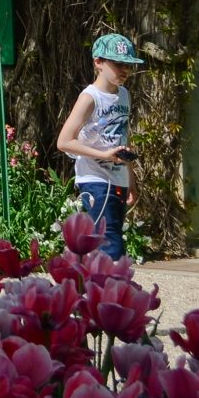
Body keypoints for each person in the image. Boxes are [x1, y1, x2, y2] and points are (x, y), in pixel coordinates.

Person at [56, 32, 144, 260]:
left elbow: (120, 142)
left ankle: (96, 288)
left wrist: (130, 180)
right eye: (118, 64)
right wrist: (103, 154)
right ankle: (112, 288)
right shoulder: (90, 97)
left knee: (107, 238)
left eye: (128, 65)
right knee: (109, 242)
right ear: (98, 62)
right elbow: (64, 141)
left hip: (118, 179)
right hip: (94, 179)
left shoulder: (124, 95)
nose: (125, 70)